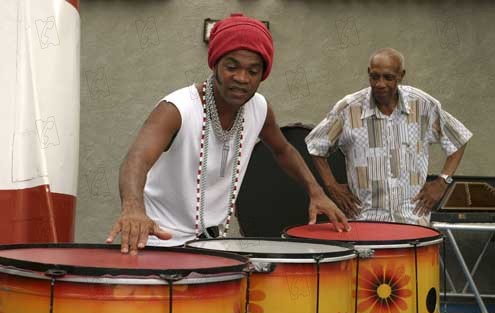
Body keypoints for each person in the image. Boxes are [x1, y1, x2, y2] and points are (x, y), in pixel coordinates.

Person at [106, 13, 349, 254]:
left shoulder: (259, 109)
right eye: (232, 67)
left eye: (253, 71)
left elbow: (283, 149)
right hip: (158, 241)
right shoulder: (177, 109)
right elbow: (136, 159)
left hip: (211, 245)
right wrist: (133, 208)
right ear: (215, 64)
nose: (242, 78)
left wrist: (316, 192)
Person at [306, 48, 472, 226]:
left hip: (413, 220)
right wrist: (331, 186)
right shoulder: (348, 108)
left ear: (401, 76)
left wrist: (442, 182)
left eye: (388, 77)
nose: (380, 84)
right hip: (365, 220)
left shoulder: (423, 105)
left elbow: (459, 139)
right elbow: (316, 145)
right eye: (375, 76)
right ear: (368, 73)